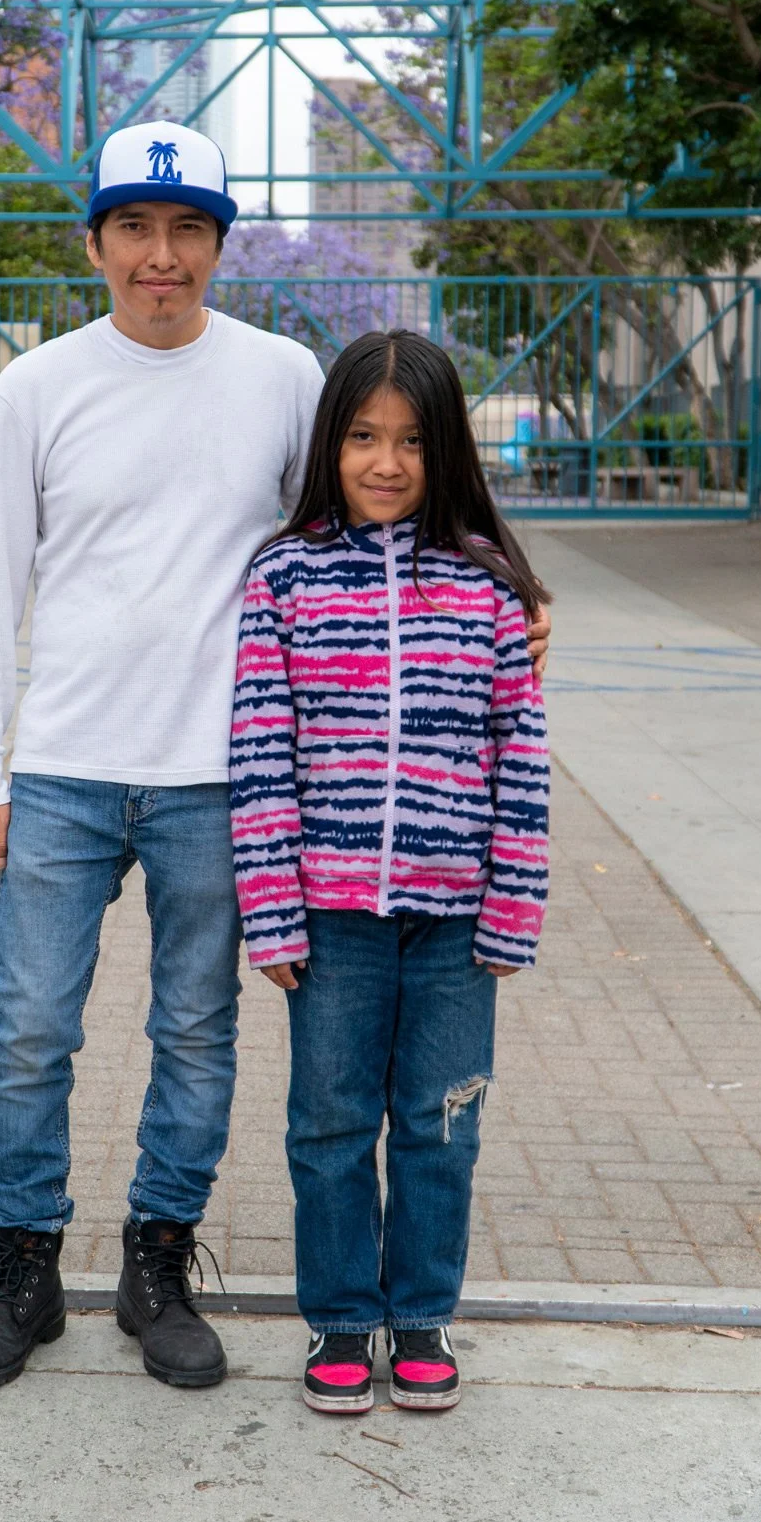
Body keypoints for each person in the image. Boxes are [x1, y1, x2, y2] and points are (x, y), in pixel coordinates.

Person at [0, 120, 552, 1397]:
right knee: (30, 1027)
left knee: (197, 1033)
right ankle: (24, 1266)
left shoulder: (280, 375)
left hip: (222, 772)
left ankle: (157, 1264)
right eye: (135, 231)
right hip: (62, 765)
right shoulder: (38, 386)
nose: (161, 259)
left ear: (220, 243)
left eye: (188, 233)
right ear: (97, 241)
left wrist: (512, 589)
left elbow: (370, 508)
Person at [228, 329, 551, 1417]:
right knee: (327, 1124)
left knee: (439, 1122)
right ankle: (340, 1319)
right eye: (364, 436)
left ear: (445, 449)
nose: (386, 462)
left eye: (413, 440)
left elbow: (522, 763)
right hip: (329, 921)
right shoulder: (282, 578)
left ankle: (420, 1317)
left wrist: (513, 910)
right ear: (332, 443)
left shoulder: (489, 587)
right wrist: (270, 914)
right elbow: (260, 756)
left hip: (458, 924)